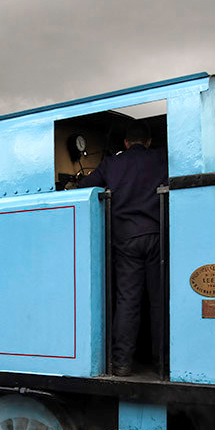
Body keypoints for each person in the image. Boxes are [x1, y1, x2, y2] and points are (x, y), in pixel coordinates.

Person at [78, 120, 166, 376]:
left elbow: (85, 187)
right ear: (148, 142)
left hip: (126, 238)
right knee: (158, 301)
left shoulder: (112, 163)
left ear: (126, 143)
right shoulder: (161, 158)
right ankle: (162, 362)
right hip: (157, 234)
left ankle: (122, 363)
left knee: (128, 301)